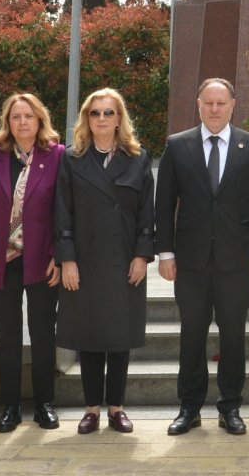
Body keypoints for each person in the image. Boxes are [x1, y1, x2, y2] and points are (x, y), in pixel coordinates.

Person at [155, 77, 249, 436]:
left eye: (221, 103)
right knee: (191, 334)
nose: (215, 109)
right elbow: (163, 205)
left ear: (233, 105)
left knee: (233, 335)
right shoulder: (178, 146)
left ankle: (230, 407)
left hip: (237, 260)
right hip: (190, 261)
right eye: (208, 103)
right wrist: (165, 253)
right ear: (198, 104)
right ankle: (189, 407)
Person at [55, 87, 156, 435]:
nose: (101, 119)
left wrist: (142, 256)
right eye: (95, 113)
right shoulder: (71, 158)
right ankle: (91, 410)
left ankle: (117, 408)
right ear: (86, 118)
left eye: (108, 112)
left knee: (119, 338)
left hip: (124, 260)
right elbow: (63, 214)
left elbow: (147, 214)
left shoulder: (138, 157)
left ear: (119, 118)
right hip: (84, 261)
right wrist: (67, 260)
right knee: (90, 337)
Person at [0, 93, 64, 433]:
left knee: (43, 334)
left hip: (41, 260)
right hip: (1, 261)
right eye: (16, 117)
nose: (23, 122)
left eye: (29, 116)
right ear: (7, 122)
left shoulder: (57, 155)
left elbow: (63, 208)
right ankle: (10, 405)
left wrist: (59, 254)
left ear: (39, 119)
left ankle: (44, 404)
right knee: (7, 334)